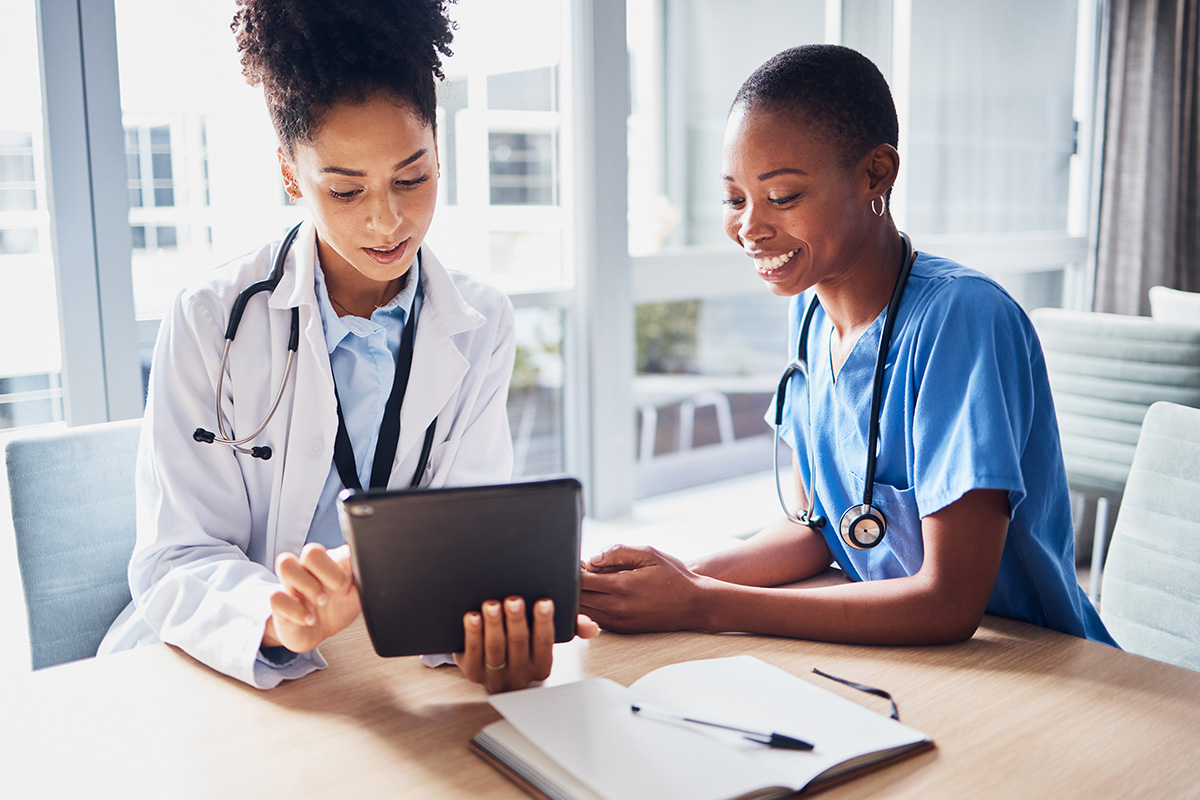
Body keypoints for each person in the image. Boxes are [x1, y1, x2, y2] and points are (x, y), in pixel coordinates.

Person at [100, 0, 595, 691]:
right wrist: (277, 618)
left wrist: (488, 626)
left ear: (438, 151)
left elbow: (467, 538)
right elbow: (175, 559)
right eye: (343, 188)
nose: (386, 219)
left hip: (381, 673)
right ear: (289, 173)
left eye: (412, 177)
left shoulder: (479, 320)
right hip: (219, 667)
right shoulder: (212, 316)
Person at [580, 44, 1116, 648]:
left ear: (875, 174)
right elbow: (817, 528)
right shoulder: (809, 315)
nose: (750, 227)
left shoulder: (964, 319)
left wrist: (703, 605)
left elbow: (949, 602)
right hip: (905, 653)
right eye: (735, 199)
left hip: (1035, 663)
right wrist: (675, 580)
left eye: (781, 196)